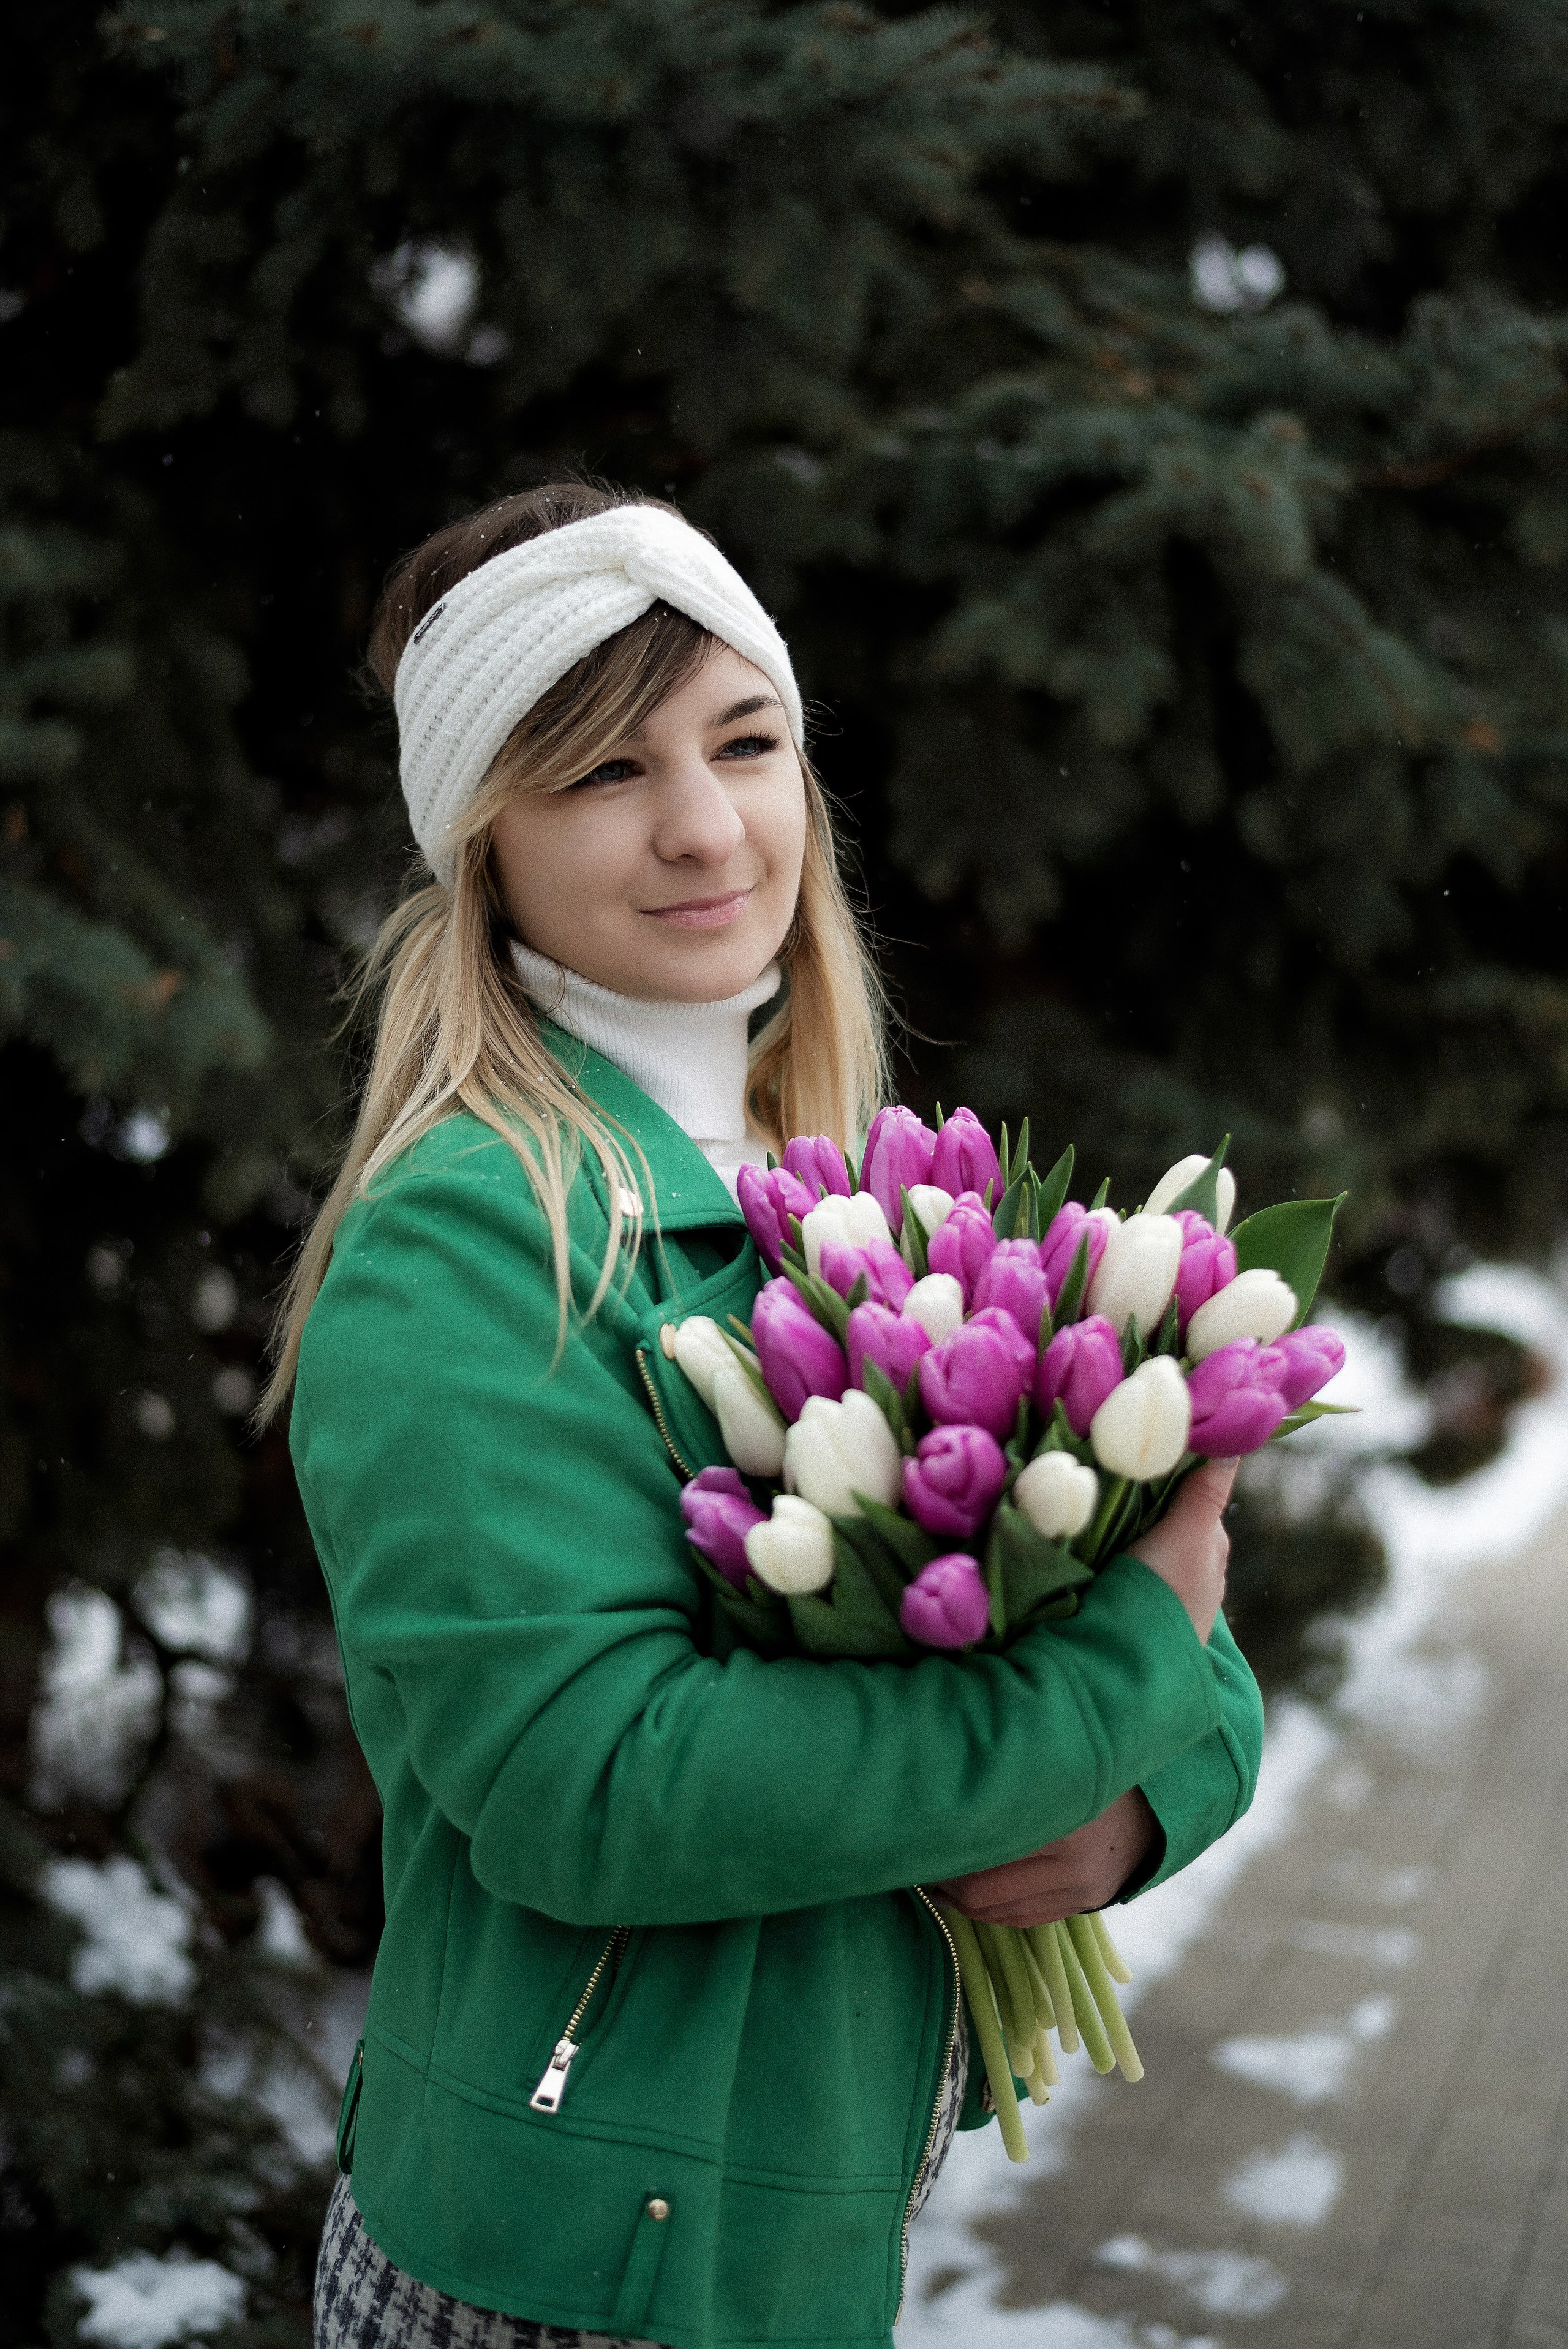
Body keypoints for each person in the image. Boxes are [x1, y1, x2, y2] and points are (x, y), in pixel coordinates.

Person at [263, 481, 1263, 2349]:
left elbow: (1172, 1615)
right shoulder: (474, 1241)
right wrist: (1104, 1688)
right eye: (600, 773)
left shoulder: (850, 1189)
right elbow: (596, 1787)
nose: (708, 827)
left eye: (747, 741)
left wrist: (1127, 1804)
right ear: (483, 841)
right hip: (572, 2273)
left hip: (797, 2227)